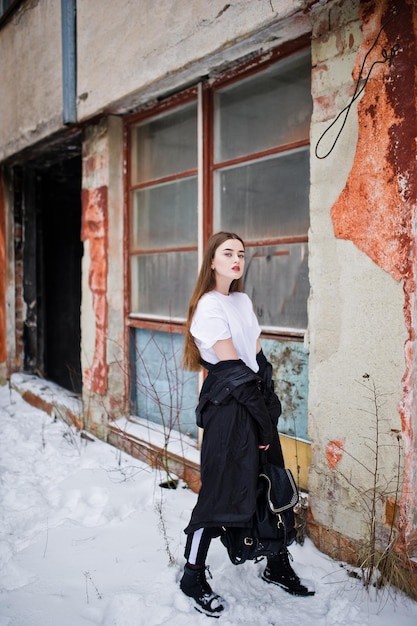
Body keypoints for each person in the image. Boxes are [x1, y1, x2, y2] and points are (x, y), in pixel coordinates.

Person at [180, 231, 314, 617]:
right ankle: (192, 575)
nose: (237, 259)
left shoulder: (241, 300)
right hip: (229, 411)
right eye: (228, 253)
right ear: (212, 262)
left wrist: (269, 399)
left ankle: (275, 564)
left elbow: (256, 357)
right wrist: (261, 409)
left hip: (254, 403)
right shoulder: (208, 306)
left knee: (272, 481)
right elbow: (233, 370)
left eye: (241, 253)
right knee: (220, 493)